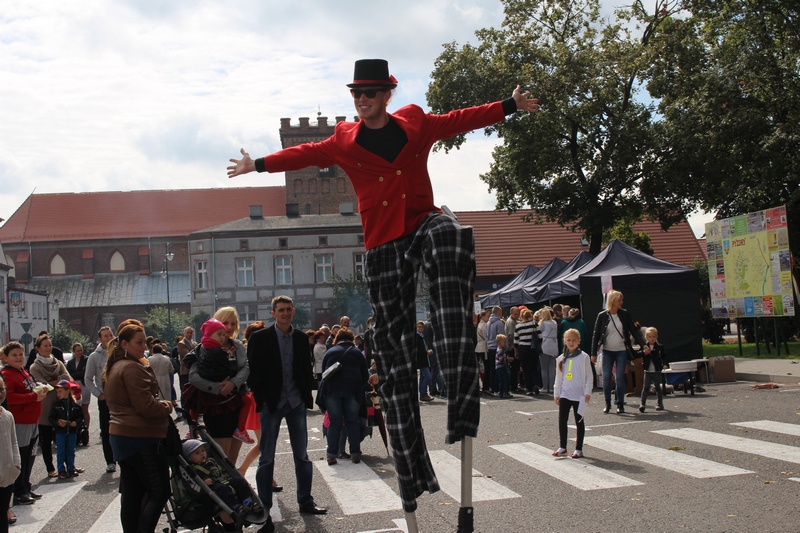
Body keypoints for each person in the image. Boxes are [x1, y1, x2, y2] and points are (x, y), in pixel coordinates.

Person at [228, 58, 539, 512]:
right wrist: (256, 164)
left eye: (369, 92)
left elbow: (458, 120)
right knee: (394, 352)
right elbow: (304, 154)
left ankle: (456, 368)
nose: (362, 99)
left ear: (387, 94)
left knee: (450, 232)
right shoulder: (343, 139)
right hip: (383, 244)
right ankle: (413, 468)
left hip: (421, 222)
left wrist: (507, 106)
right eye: (356, 93)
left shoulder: (414, 122)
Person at [246, 295, 326, 533]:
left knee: (302, 455)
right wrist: (262, 399)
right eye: (281, 310)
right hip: (271, 403)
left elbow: (305, 367)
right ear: (273, 313)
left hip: (295, 401)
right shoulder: (260, 338)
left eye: (288, 309)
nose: (285, 313)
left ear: (293, 311)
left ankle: (305, 500)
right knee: (267, 458)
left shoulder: (301, 338)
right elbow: (254, 371)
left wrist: (305, 394)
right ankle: (265, 507)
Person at [104, 320, 173, 533]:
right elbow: (146, 407)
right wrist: (166, 406)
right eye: (139, 342)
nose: (144, 346)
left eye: (144, 342)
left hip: (123, 435)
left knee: (133, 493)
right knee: (159, 491)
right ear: (124, 344)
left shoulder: (117, 365)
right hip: (139, 436)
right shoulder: (131, 367)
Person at [186, 308, 250, 462]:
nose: (229, 327)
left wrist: (233, 383)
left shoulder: (237, 346)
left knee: (232, 460)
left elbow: (247, 367)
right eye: (225, 323)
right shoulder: (203, 348)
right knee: (222, 458)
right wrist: (217, 388)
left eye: (233, 324)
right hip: (216, 405)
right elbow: (193, 376)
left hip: (237, 402)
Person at [1, 342, 46, 509]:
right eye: (14, 355)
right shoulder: (7, 374)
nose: (19, 358)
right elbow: (10, 398)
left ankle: (26, 486)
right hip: (21, 421)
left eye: (21, 354)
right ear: (5, 357)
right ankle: (19, 491)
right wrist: (33, 397)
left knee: (30, 456)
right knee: (21, 456)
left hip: (32, 420)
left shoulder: (23, 371)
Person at [590, 290, 650, 414]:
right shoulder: (602, 315)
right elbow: (596, 335)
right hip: (607, 351)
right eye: (619, 300)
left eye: (621, 300)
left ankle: (620, 403)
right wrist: (593, 353)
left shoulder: (624, 314)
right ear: (612, 301)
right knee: (606, 377)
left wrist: (643, 344)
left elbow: (633, 330)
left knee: (619, 377)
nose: (621, 302)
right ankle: (607, 402)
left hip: (621, 350)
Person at [318, 328, 370, 465]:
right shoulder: (357, 353)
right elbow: (365, 376)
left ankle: (331, 455)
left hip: (332, 392)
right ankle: (355, 453)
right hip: (352, 391)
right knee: (352, 421)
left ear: (337, 339)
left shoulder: (330, 352)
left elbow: (324, 373)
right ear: (351, 339)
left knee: (334, 422)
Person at [183, 439, 263, 524]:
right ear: (189, 458)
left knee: (240, 481)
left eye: (203, 450)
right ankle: (236, 506)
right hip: (212, 486)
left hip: (223, 479)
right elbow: (192, 482)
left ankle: (248, 502)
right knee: (222, 489)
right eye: (197, 453)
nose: (202, 454)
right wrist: (203, 482)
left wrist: (226, 476)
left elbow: (221, 470)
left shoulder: (211, 461)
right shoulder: (194, 469)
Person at [28, 333, 71, 478]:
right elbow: (42, 385)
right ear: (38, 348)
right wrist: (56, 381)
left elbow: (67, 378)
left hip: (60, 404)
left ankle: (67, 465)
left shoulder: (58, 362)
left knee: (63, 438)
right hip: (45, 407)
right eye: (45, 346)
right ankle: (50, 468)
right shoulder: (35, 366)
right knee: (46, 441)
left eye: (50, 345)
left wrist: (52, 382)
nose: (48, 348)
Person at [553, 329, 592, 459]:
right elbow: (558, 378)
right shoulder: (561, 358)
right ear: (565, 341)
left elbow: (589, 376)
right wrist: (557, 393)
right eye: (568, 340)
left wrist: (587, 392)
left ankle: (578, 448)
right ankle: (563, 446)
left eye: (574, 340)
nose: (571, 342)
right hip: (565, 393)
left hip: (580, 395)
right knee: (562, 419)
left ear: (579, 341)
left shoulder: (584, 357)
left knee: (579, 421)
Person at [85, 325, 117, 472]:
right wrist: (99, 394)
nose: (109, 338)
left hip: (119, 398)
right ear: (100, 339)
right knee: (106, 430)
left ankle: (122, 458)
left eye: (110, 335)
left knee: (122, 428)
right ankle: (110, 461)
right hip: (105, 399)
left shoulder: (118, 353)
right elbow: (88, 379)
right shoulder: (94, 357)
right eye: (106, 336)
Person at [48, 379, 84, 479]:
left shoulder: (75, 406)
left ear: (67, 391)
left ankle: (71, 468)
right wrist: (58, 423)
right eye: (57, 392)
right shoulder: (56, 406)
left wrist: (76, 423)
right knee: (61, 451)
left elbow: (80, 417)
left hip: (72, 432)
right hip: (60, 432)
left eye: (60, 391)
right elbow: (51, 418)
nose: (58, 394)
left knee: (70, 451)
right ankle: (61, 470)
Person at [0, 372, 21, 533]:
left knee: (3, 512)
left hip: (8, 474)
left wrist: (16, 464)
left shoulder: (8, 415)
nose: (0, 393)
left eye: (2, 389)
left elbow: (14, 442)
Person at [638, 327, 668, 413]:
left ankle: (660, 403)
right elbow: (639, 353)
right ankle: (642, 404)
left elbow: (664, 356)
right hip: (647, 371)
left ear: (656, 337)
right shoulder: (645, 346)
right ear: (646, 337)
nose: (652, 339)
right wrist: (643, 352)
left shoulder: (659, 347)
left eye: (654, 337)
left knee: (657, 387)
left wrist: (665, 364)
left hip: (656, 370)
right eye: (650, 337)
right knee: (646, 387)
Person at [65, 342, 91, 436]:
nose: (80, 352)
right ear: (74, 352)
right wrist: (75, 375)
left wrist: (75, 375)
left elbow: (84, 373)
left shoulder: (86, 360)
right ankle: (77, 428)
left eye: (81, 350)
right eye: (77, 351)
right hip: (74, 386)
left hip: (84, 386)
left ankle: (86, 429)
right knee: (75, 408)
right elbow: (68, 374)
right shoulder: (70, 363)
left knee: (85, 408)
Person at [514, 309, 539, 396]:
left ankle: (529, 389)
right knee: (534, 368)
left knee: (525, 369)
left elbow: (516, 341)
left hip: (523, 348)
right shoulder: (534, 324)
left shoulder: (518, 326)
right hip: (533, 348)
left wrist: (516, 351)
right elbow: (540, 337)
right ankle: (535, 384)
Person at [176, 326, 197, 419]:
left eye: (191, 332)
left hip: (194, 371)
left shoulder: (194, 343)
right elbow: (187, 355)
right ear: (184, 333)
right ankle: (185, 411)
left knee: (193, 391)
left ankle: (193, 410)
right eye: (187, 332)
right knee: (185, 391)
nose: (189, 334)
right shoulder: (181, 344)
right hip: (185, 371)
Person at [147, 344, 175, 411]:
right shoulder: (167, 359)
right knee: (166, 397)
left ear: (153, 351)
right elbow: (171, 370)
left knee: (156, 397)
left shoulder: (149, 359)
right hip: (165, 379)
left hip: (154, 379)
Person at [485, 307, 505, 395]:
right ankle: (498, 388)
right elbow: (502, 337)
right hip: (497, 347)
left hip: (489, 347)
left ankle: (493, 388)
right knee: (499, 368)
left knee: (492, 368)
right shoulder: (499, 323)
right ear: (499, 312)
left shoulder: (487, 323)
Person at [538, 308, 558, 394]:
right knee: (552, 368)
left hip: (545, 346)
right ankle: (552, 387)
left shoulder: (542, 324)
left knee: (544, 369)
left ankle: (545, 387)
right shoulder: (555, 323)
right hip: (554, 345)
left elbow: (539, 334)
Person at [414, 321, 434, 401]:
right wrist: (426, 352)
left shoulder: (422, 336)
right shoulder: (417, 337)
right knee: (427, 376)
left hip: (424, 360)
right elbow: (416, 350)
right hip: (421, 360)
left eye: (422, 327)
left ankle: (423, 394)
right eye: (419, 327)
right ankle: (423, 394)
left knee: (423, 377)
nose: (421, 328)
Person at [505, 307, 520, 391]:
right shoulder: (511, 322)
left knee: (514, 368)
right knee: (514, 368)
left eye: (518, 314)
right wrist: (513, 349)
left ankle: (514, 385)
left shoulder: (513, 321)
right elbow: (511, 336)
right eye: (515, 314)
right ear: (511, 313)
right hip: (511, 348)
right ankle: (513, 386)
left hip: (511, 347)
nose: (517, 316)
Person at [474, 310, 489, 389]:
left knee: (482, 367)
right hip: (483, 348)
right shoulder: (483, 325)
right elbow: (486, 336)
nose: (488, 318)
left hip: (480, 347)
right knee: (486, 367)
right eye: (487, 316)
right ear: (482, 317)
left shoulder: (481, 325)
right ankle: (485, 386)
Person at [494, 334, 512, 399]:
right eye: (504, 342)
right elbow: (501, 359)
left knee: (501, 381)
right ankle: (505, 392)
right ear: (499, 342)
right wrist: (508, 359)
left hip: (498, 367)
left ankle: (501, 392)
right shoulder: (501, 350)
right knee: (505, 380)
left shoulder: (498, 349)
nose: (505, 343)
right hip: (501, 367)